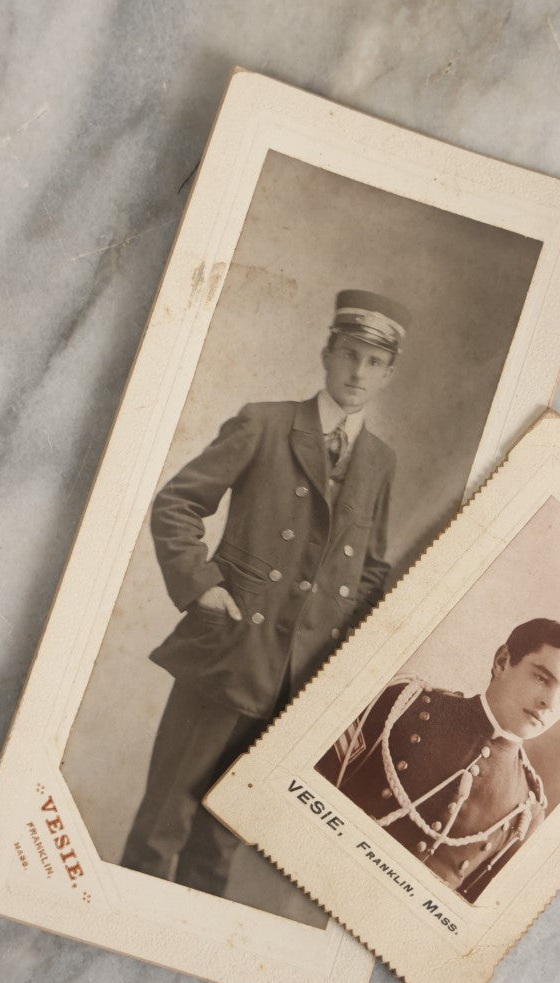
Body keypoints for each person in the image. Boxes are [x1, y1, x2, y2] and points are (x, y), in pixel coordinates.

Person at [122, 289, 410, 900]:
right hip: (230, 654)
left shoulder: (380, 462)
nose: (357, 373)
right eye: (349, 355)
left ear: (388, 375)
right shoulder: (266, 421)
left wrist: (337, 659)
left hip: (297, 678)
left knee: (221, 844)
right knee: (162, 827)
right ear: (327, 354)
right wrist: (202, 588)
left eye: (373, 363)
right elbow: (177, 505)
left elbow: (372, 569)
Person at [316, 618, 560, 901]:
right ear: (502, 661)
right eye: (542, 678)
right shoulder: (403, 705)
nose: (550, 703)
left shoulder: (527, 813)